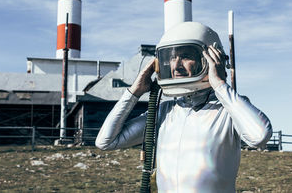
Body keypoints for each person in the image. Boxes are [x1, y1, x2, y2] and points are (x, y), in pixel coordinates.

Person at [96, 22, 272, 193]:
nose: (176, 64)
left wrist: (220, 85)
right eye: (172, 57)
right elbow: (105, 141)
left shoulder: (227, 109)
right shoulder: (164, 111)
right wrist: (134, 92)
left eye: (186, 56)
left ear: (210, 59)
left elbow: (260, 136)